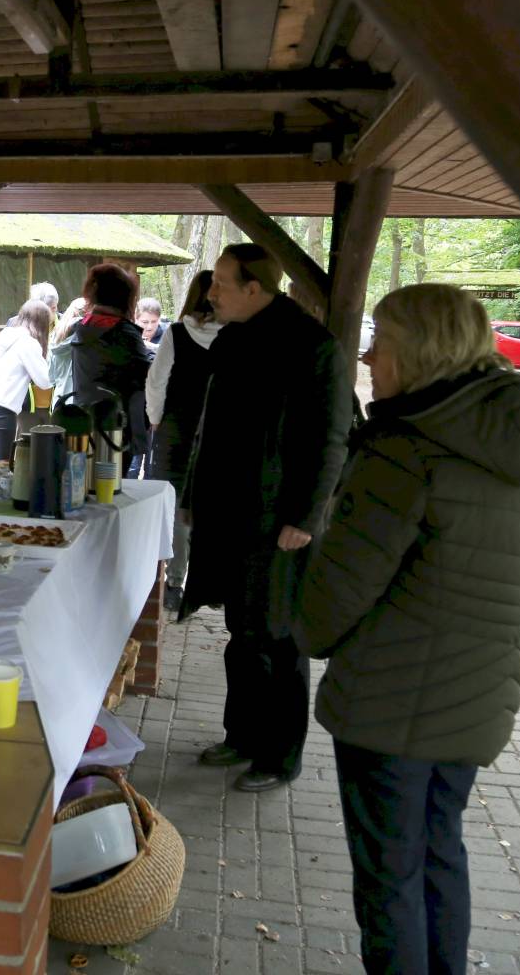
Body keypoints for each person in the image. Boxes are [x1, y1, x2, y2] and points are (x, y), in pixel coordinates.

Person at [294, 284, 520, 975]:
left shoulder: (405, 451)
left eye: (380, 342)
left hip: (389, 709)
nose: (368, 358)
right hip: (478, 700)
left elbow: (334, 599)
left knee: (390, 879)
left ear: (418, 351)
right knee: (439, 854)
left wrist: (302, 626)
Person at [185, 242, 351, 793]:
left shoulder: (313, 345)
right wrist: (194, 495)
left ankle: (280, 756)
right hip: (231, 514)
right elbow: (214, 429)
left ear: (254, 288)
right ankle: (242, 736)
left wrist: (306, 516)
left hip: (280, 520)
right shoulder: (234, 336)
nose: (211, 292)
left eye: (221, 283)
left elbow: (331, 439)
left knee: (278, 638)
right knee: (243, 632)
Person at [144, 269, 220, 615]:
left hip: (176, 429)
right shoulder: (237, 334)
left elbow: (156, 382)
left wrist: (156, 419)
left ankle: (174, 585)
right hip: (219, 430)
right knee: (212, 504)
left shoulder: (176, 333)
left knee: (174, 508)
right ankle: (208, 582)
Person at [64, 263, 152, 476]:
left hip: (83, 421)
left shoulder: (83, 327)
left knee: (85, 484)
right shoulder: (124, 334)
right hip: (116, 428)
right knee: (111, 486)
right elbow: (147, 378)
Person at [0, 299, 53, 462]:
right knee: (2, 464)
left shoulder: (6, 334)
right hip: (3, 409)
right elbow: (44, 381)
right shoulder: (28, 343)